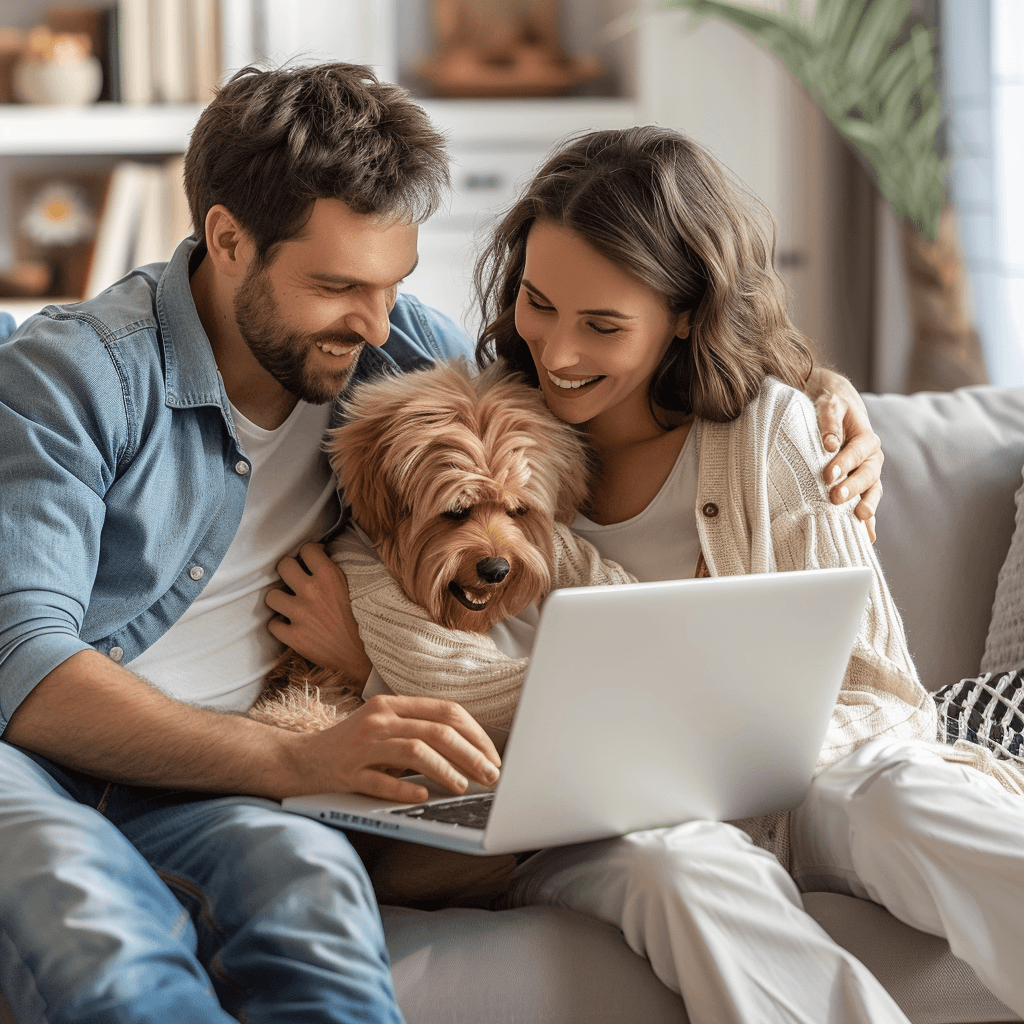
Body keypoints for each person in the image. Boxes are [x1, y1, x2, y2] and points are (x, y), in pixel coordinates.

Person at [0, 63, 879, 1022]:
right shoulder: (74, 377)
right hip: (47, 760)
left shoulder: (389, 347)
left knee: (320, 902)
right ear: (227, 240)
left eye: (394, 284)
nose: (377, 325)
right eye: (338, 286)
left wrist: (817, 396)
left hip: (230, 789)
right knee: (92, 928)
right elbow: (23, 658)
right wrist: (296, 761)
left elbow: (570, 406)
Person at [292, 124, 1024, 1024]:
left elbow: (880, 692)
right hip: (602, 824)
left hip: (817, 781)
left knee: (907, 799)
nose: (557, 352)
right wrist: (366, 660)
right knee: (679, 862)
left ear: (684, 313)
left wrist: (724, 758)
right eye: (537, 302)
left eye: (603, 325)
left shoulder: (775, 433)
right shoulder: (481, 428)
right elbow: (404, 597)